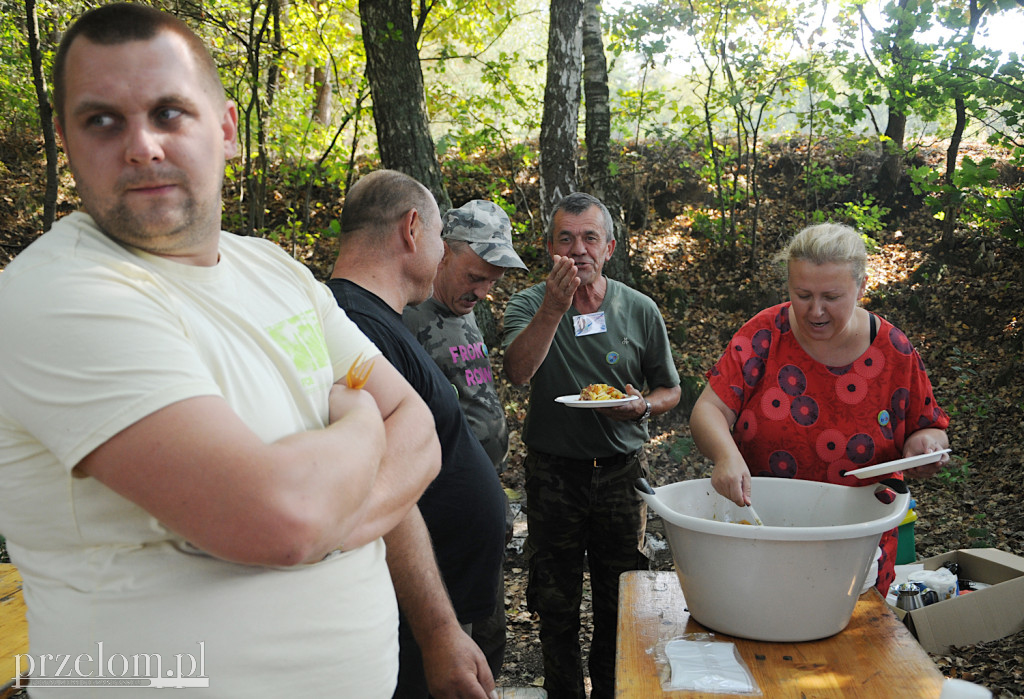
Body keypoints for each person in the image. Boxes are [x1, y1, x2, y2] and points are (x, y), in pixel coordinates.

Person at [0, 5, 443, 696]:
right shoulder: (57, 295)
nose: (142, 145)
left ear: (227, 128)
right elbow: (282, 516)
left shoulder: (276, 271)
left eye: (170, 112)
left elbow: (419, 431)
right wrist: (359, 423)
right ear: (63, 136)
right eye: (102, 120)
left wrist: (322, 512)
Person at [689, 222, 950, 595]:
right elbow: (709, 410)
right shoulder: (764, 334)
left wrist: (925, 447)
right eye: (802, 294)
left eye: (831, 296)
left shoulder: (893, 350)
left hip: (858, 547)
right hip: (764, 534)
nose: (815, 311)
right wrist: (725, 456)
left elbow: (927, 427)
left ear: (861, 287)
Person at [327, 171, 507, 699]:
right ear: (412, 230)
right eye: (438, 238)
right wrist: (438, 630)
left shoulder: (381, 323)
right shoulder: (355, 326)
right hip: (416, 617)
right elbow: (376, 483)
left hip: (444, 604)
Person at [502, 192, 681, 699]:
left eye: (589, 238)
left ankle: (613, 691)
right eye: (566, 238)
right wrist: (555, 308)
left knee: (621, 599)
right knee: (555, 601)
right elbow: (517, 372)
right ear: (549, 249)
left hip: (622, 475)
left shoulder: (638, 309)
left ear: (609, 248)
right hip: (554, 475)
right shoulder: (528, 303)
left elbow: (669, 389)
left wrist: (642, 407)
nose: (578, 249)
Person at [402, 199, 528, 681]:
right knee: (454, 639)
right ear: (443, 253)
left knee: (490, 631)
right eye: (476, 275)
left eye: (493, 281)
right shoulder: (407, 315)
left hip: (482, 495)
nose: (483, 290)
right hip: (439, 509)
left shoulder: (466, 309)